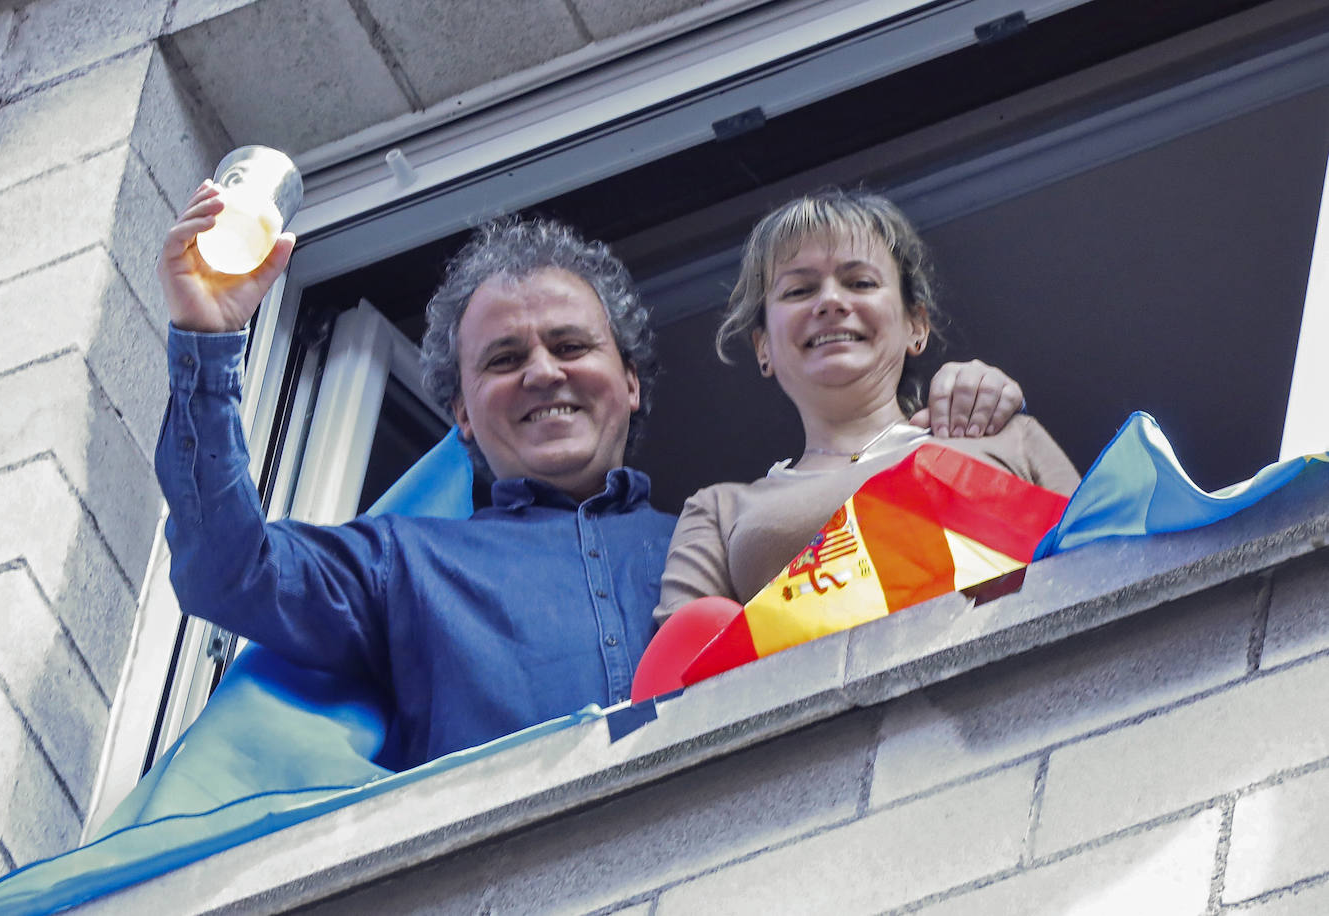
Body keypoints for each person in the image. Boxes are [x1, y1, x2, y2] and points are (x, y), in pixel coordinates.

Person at [155, 179, 1027, 771]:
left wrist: (963, 426)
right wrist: (208, 341)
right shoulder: (400, 565)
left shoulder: (738, 539)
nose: (544, 372)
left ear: (630, 381)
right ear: (462, 414)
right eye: (504, 359)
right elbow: (227, 567)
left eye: (571, 345)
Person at [656, 190, 1081, 619]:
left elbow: (1104, 569)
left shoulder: (1006, 433)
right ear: (763, 347)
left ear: (916, 325)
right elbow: (684, 655)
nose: (830, 302)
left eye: (860, 283)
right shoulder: (718, 510)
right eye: (799, 290)